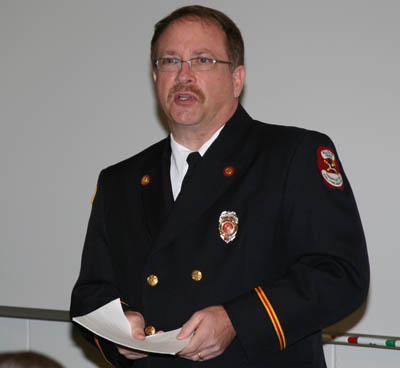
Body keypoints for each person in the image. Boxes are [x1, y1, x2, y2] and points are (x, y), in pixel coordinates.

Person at [70, 5, 369, 368]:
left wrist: (237, 321)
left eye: (203, 60)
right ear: (155, 76)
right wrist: (120, 324)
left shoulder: (291, 156)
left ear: (237, 78)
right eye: (169, 61)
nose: (184, 75)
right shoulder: (121, 180)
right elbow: (91, 293)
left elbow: (339, 274)